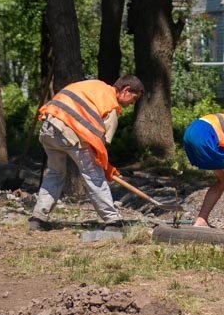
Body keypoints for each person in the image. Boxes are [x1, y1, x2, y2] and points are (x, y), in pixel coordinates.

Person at [29, 76, 143, 231]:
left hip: (49, 126)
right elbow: (99, 146)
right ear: (126, 90)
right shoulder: (111, 106)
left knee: (55, 174)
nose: (131, 104)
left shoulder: (95, 85)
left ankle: (38, 219)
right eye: (134, 99)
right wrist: (105, 167)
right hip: (70, 133)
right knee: (94, 175)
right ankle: (112, 221)